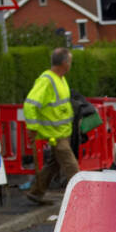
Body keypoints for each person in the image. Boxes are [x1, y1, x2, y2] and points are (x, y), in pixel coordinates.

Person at [23, 47, 78, 205]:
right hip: (55, 134)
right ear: (64, 63)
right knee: (71, 165)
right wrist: (33, 128)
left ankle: (36, 192)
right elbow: (30, 105)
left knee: (53, 165)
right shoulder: (46, 80)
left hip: (62, 131)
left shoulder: (60, 79)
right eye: (70, 61)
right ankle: (85, 195)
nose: (71, 65)